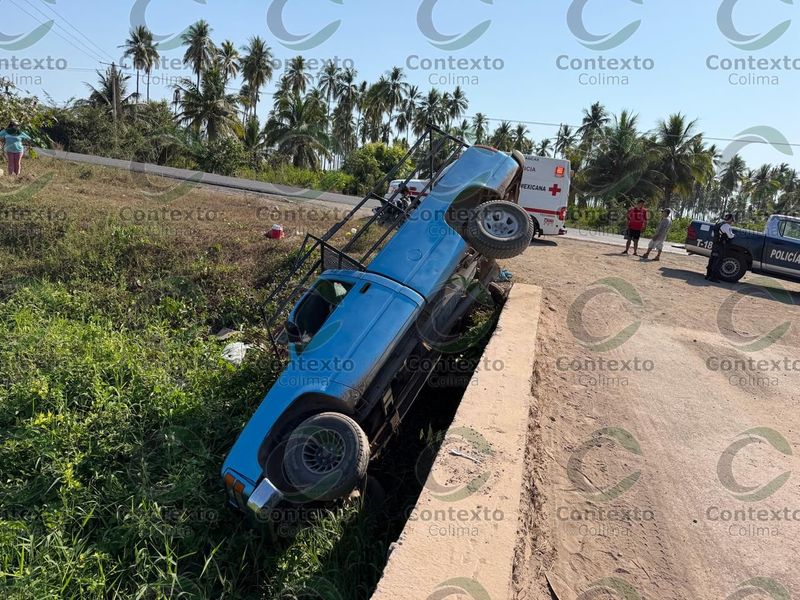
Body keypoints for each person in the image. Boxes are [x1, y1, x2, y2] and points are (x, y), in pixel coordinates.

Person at [706, 213, 736, 282]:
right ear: (730, 219)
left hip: (715, 244)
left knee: (712, 260)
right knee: (718, 261)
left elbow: (713, 234)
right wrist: (733, 235)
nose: (732, 222)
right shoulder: (726, 226)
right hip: (720, 245)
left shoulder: (718, 224)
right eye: (732, 220)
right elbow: (731, 236)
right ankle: (713, 277)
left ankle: (708, 275)